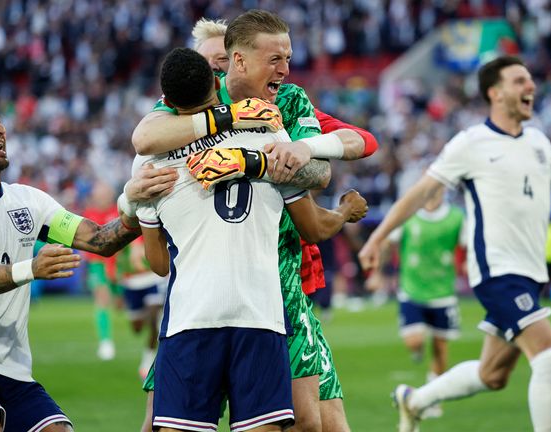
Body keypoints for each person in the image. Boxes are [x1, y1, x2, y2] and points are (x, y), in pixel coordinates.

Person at [357, 56, 551, 432]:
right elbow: (421, 193)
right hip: (497, 271)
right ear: (495, 93)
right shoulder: (470, 143)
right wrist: (379, 238)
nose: (530, 86)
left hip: (531, 275)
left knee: (492, 374)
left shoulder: (539, 142)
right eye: (519, 81)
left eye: (529, 79)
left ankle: (414, 401)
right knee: (550, 357)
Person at [133, 12, 378, 432]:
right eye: (275, 59)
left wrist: (281, 154)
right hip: (202, 292)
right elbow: (144, 141)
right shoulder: (189, 107)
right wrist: (233, 124)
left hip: (279, 276)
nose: (285, 69)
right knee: (160, 419)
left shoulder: (287, 103)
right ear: (234, 62)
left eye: (288, 57)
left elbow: (342, 157)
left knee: (313, 421)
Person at [0, 99, 144, 432]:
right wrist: (32, 269)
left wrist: (139, 205)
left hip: (13, 366)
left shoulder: (27, 201)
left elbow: (100, 240)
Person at [371, 185, 465, 418]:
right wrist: (378, 272)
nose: (433, 193)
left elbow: (468, 246)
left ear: (443, 191)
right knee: (414, 341)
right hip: (412, 289)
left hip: (443, 292)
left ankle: (433, 399)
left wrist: (469, 265)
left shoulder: (456, 217)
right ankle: (417, 350)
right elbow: (387, 243)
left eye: (438, 189)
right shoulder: (408, 215)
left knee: (441, 348)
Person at [116, 237, 167, 380]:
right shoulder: (125, 225)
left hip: (153, 278)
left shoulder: (154, 221)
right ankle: (147, 314)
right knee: (137, 328)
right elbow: (116, 257)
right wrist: (117, 291)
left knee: (154, 321)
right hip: (131, 282)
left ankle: (147, 362)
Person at [81, 181, 121, 361]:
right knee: (102, 298)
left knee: (124, 306)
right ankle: (106, 343)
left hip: (120, 265)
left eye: (104, 193)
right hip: (98, 265)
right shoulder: (89, 215)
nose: (102, 197)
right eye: (99, 193)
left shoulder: (118, 211)